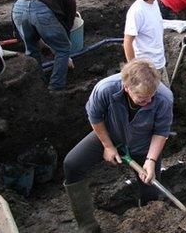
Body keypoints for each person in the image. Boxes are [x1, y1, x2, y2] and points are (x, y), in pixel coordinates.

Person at [63, 59, 173, 232]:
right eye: (142, 99)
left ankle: (145, 225)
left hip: (144, 144)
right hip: (110, 134)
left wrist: (150, 160)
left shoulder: (164, 98)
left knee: (150, 194)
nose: (149, 101)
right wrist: (108, 146)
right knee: (72, 164)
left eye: (151, 96)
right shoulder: (105, 89)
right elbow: (95, 117)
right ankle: (88, 226)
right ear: (126, 87)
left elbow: (161, 131)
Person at [11, 0, 76, 91]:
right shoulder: (69, 0)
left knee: (32, 50)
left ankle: (39, 86)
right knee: (63, 48)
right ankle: (56, 87)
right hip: (40, 8)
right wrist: (65, 56)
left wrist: (45, 47)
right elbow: (66, 28)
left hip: (17, 8)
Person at [124, 0, 169, 85]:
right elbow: (128, 42)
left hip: (159, 62)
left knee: (165, 98)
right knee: (148, 100)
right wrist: (134, 69)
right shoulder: (137, 11)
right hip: (146, 68)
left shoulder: (154, 3)